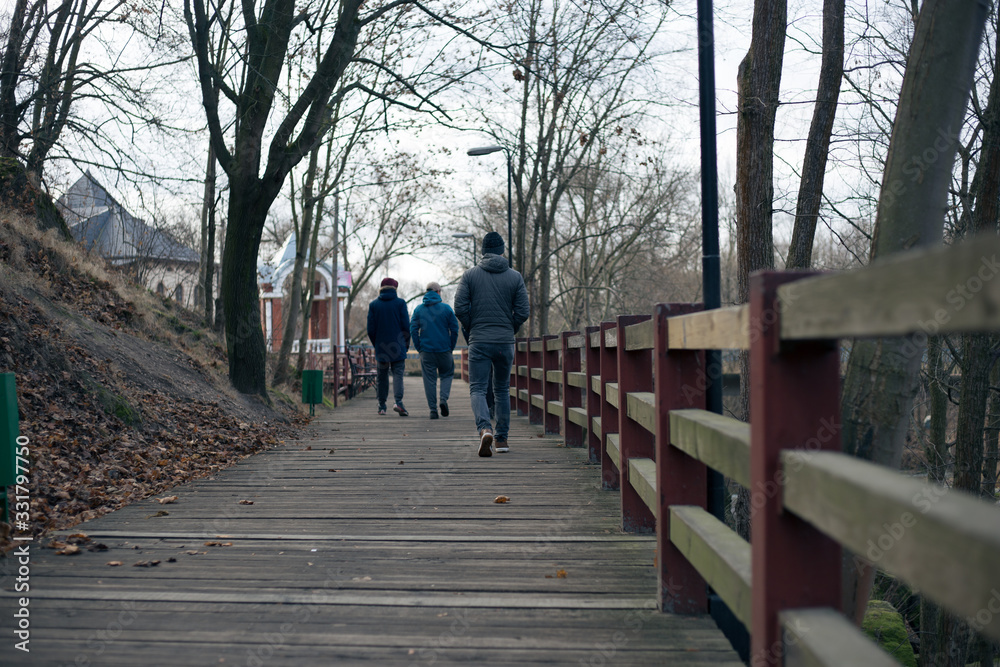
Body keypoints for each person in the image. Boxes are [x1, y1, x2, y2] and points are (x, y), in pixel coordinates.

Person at [454, 231, 530, 457]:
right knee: (502, 389)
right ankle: (502, 439)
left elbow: (459, 308)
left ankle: (485, 428)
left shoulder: (469, 275)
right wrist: (510, 328)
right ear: (502, 250)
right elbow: (524, 311)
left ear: (483, 251)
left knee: (477, 387)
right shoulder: (515, 277)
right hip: (504, 342)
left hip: (479, 340)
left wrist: (473, 327)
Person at [410, 281, 460, 419]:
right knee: (447, 375)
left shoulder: (419, 310)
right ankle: (443, 399)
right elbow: (455, 329)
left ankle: (433, 410)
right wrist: (451, 346)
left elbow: (413, 329)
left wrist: (419, 347)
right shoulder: (446, 309)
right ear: (438, 292)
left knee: (429, 380)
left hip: (426, 351)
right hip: (444, 350)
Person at [367, 277, 410, 416]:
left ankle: (381, 405)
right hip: (398, 345)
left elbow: (370, 329)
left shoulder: (374, 305)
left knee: (382, 376)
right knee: (398, 374)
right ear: (395, 289)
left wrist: (377, 343)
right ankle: (398, 402)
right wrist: (405, 344)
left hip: (382, 346)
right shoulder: (400, 303)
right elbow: (406, 327)